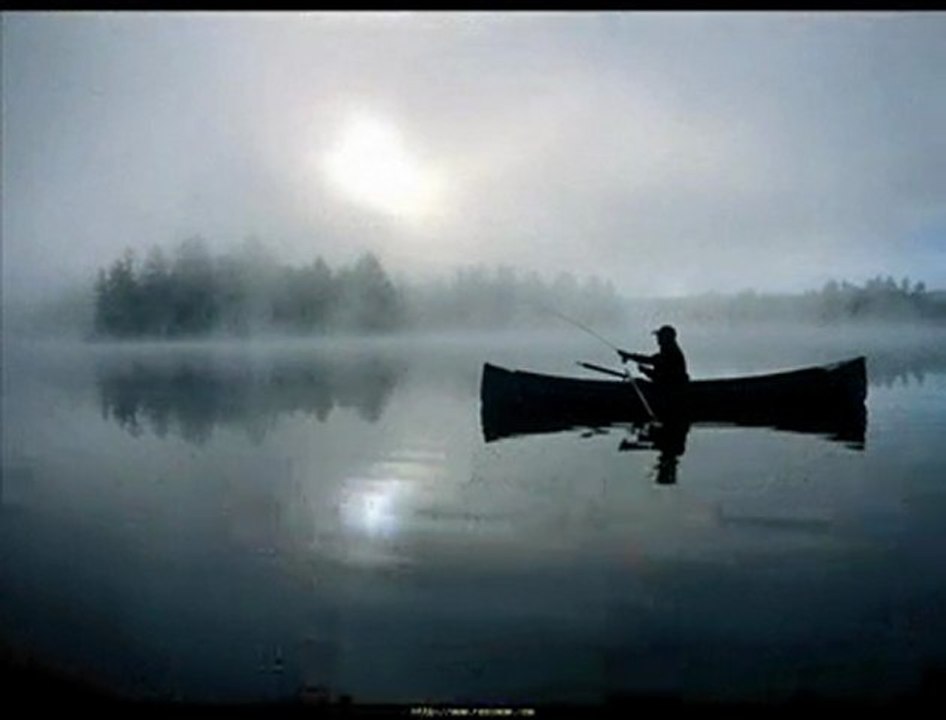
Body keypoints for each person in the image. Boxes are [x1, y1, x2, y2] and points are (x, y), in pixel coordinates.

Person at [618, 325, 689, 386]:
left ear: (667, 338)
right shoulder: (669, 351)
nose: (658, 338)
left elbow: (662, 376)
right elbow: (651, 361)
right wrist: (630, 356)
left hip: (670, 389)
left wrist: (645, 370)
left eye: (660, 336)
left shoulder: (671, 352)